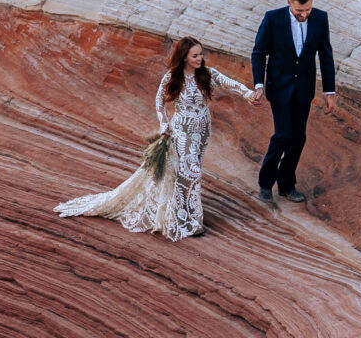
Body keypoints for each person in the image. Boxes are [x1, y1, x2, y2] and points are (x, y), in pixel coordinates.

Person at [56, 36, 259, 240]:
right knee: (191, 173)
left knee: (191, 170)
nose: (200, 58)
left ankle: (183, 214)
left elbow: (231, 84)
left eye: (201, 54)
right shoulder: (172, 76)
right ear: (184, 57)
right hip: (182, 131)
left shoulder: (207, 74)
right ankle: (188, 221)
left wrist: (249, 94)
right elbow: (159, 101)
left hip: (202, 131)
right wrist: (164, 124)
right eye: (195, 56)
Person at [250, 0, 335, 204]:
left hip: (304, 89)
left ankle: (287, 184)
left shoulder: (320, 18)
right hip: (279, 87)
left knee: (298, 138)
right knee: (283, 135)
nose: (304, 14)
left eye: (307, 10)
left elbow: (326, 55)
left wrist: (329, 91)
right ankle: (265, 183)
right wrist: (258, 85)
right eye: (299, 11)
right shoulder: (273, 18)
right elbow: (259, 53)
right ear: (289, 3)